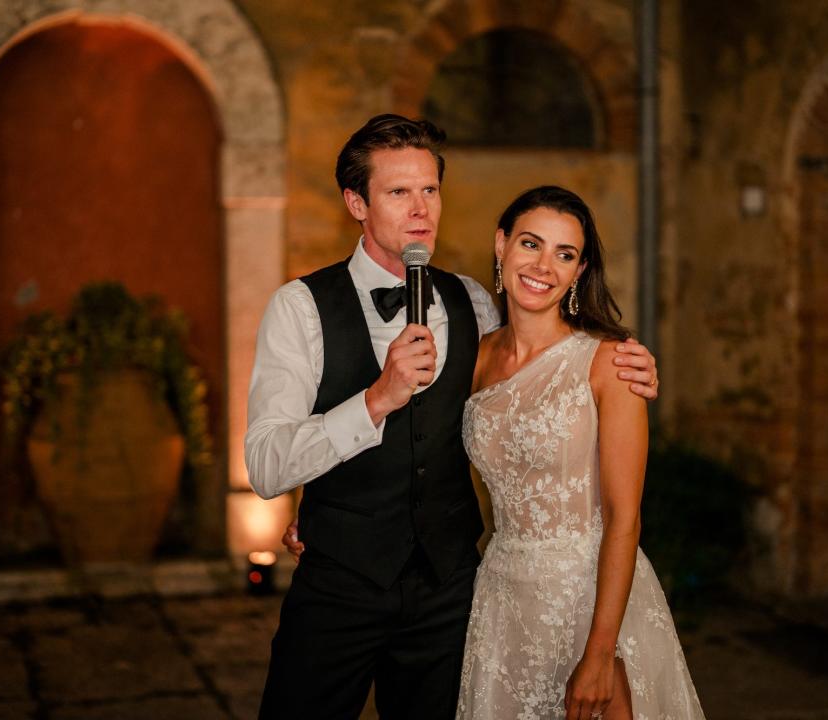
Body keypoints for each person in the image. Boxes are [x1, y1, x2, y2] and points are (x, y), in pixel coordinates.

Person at [246, 115, 659, 720]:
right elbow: (264, 465)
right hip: (339, 589)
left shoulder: (472, 304)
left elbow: (541, 372)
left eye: (430, 190)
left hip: (453, 598)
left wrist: (632, 360)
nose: (421, 210)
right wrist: (376, 400)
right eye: (398, 192)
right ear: (355, 202)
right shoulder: (299, 308)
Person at [456, 186, 704, 720]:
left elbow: (624, 520)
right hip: (500, 599)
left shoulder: (609, 364)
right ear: (501, 246)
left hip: (588, 598)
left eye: (564, 254)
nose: (544, 265)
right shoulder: (473, 359)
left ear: (578, 270)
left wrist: (600, 652)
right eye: (530, 244)